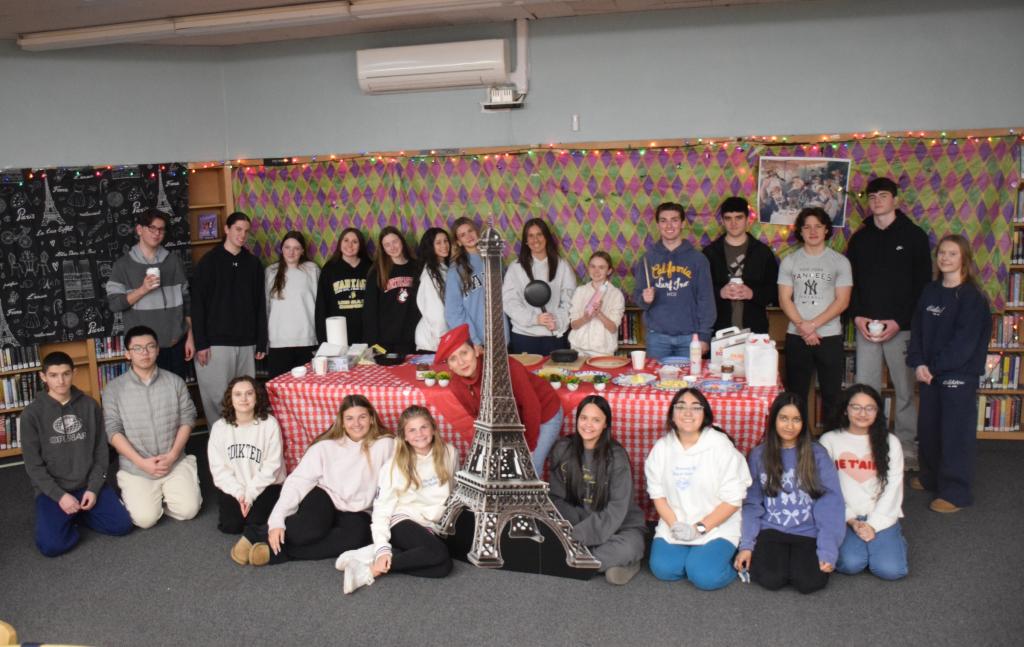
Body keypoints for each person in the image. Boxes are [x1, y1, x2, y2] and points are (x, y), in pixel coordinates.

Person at [846, 177, 932, 469]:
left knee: (905, 390)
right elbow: (851, 283)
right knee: (866, 390)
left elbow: (922, 285)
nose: (877, 201)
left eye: (883, 195)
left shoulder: (914, 236)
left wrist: (900, 321)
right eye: (872, 197)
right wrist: (857, 316)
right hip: (866, 328)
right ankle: (870, 443)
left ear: (895, 200)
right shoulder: (860, 239)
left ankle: (907, 446)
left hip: (901, 328)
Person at [250, 395, 395, 566]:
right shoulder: (325, 447)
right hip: (325, 496)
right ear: (342, 422)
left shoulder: (387, 445)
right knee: (307, 531)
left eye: (362, 417)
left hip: (359, 510)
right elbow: (297, 482)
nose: (356, 423)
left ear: (371, 419)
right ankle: (258, 533)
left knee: (358, 537)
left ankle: (280, 552)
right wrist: (277, 520)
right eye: (349, 418)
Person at [907, 234, 991, 513]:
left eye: (952, 253)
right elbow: (917, 329)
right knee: (929, 428)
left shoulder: (972, 297)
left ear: (964, 258)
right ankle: (931, 477)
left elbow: (964, 344)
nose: (945, 258)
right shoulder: (930, 291)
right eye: (942, 253)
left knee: (954, 433)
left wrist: (932, 368)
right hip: (929, 373)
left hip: (958, 374)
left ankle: (956, 491)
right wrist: (918, 363)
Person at [20, 352, 132, 556]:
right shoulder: (31, 414)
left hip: (87, 485)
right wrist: (60, 496)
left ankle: (77, 514)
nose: (60, 381)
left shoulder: (90, 405)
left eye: (66, 374)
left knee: (122, 526)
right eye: (53, 375)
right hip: (54, 491)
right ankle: (69, 516)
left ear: (74, 373)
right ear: (43, 376)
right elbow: (33, 466)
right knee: (52, 547)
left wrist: (94, 488)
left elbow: (101, 452)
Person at [337, 406, 458, 594]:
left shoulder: (450, 453)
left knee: (442, 568)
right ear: (404, 436)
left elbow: (455, 491)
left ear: (433, 428)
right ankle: (370, 570)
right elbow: (381, 510)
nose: (419, 434)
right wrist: (383, 548)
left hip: (433, 523)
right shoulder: (394, 465)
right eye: (412, 430)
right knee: (438, 554)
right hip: (402, 520)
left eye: (424, 427)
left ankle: (368, 558)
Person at [735, 392, 845, 594]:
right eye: (783, 418)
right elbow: (752, 503)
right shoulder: (759, 454)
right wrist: (747, 545)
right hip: (771, 529)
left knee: (809, 582)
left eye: (796, 419)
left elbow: (830, 503)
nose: (789, 425)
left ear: (804, 422)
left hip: (807, 530)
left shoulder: (817, 454)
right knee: (770, 579)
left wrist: (828, 549)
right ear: (773, 420)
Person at [645, 388, 752, 590]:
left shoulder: (721, 447)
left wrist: (699, 529)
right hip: (676, 524)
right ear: (672, 415)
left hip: (717, 526)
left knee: (704, 577)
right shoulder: (661, 448)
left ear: (705, 415)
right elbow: (658, 495)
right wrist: (675, 525)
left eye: (696, 408)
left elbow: (732, 501)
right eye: (680, 407)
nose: (688, 413)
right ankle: (694, 557)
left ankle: (725, 562)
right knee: (663, 569)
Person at [103, 326, 201, 529]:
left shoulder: (175, 382)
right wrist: (141, 462)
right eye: (137, 348)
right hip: (137, 466)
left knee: (189, 510)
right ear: (128, 354)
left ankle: (167, 493)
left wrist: (173, 455)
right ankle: (148, 495)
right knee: (145, 520)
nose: (145, 353)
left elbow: (188, 417)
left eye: (150, 346)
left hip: (173, 461)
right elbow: (112, 430)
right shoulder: (114, 389)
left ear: (157, 350)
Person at [433, 323, 562, 474]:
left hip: (545, 413)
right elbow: (478, 416)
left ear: (475, 350)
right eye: (453, 359)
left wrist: (527, 448)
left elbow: (531, 406)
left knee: (529, 469)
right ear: (449, 366)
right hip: (512, 424)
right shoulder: (456, 385)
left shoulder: (506, 367)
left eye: (464, 353)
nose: (461, 362)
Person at [549, 395, 646, 585]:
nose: (588, 425)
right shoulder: (563, 449)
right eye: (584, 418)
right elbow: (556, 498)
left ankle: (621, 560)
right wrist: (573, 530)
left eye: (596, 420)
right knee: (545, 539)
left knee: (627, 547)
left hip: (620, 525)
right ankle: (602, 562)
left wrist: (578, 537)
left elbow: (617, 509)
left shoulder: (616, 457)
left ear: (605, 424)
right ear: (577, 419)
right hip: (579, 521)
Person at [820, 384, 908, 580]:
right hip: (843, 515)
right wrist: (851, 520)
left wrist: (873, 525)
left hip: (879, 513)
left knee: (891, 570)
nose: (863, 413)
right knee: (850, 564)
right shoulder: (829, 440)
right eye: (856, 407)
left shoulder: (891, 442)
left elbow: (894, 487)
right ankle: (871, 543)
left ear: (878, 412)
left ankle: (891, 539)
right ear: (846, 409)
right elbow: (826, 488)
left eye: (870, 408)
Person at [777, 206, 852, 430]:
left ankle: (830, 441)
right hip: (797, 336)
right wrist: (803, 327)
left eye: (818, 226)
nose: (812, 231)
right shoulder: (790, 261)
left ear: (826, 230)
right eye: (807, 227)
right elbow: (784, 299)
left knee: (832, 395)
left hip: (829, 337)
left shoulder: (840, 262)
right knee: (795, 395)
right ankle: (798, 441)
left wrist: (813, 326)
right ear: (800, 231)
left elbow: (842, 301)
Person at [191, 211, 267, 426]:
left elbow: (260, 304)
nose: (242, 235)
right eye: (238, 229)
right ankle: (219, 442)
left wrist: (261, 340)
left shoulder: (253, 264)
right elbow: (198, 305)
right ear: (226, 229)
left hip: (246, 342)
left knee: (245, 399)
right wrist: (201, 343)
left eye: (246, 231)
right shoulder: (209, 262)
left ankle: (244, 440)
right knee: (217, 399)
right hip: (216, 343)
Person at [106, 208, 194, 378]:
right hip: (144, 351)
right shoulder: (122, 265)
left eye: (161, 229)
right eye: (152, 228)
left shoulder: (173, 261)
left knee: (177, 390)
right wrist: (143, 290)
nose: (157, 233)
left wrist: (190, 338)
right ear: (140, 230)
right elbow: (115, 304)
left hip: (176, 344)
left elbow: (187, 303)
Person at [207, 376, 286, 565]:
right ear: (230, 399)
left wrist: (250, 494)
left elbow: (272, 466)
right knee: (231, 526)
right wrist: (240, 493)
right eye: (238, 394)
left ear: (257, 397)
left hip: (264, 485)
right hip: (235, 487)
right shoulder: (219, 428)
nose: (244, 399)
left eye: (249, 393)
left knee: (258, 520)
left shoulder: (269, 424)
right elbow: (219, 469)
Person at [631, 202, 715, 360]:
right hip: (657, 338)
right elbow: (638, 297)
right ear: (658, 225)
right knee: (655, 377)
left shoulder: (698, 259)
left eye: (674, 220)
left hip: (690, 338)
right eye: (663, 220)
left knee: (690, 377)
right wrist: (645, 299)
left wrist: (704, 336)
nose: (669, 225)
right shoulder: (647, 259)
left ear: (682, 223)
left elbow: (706, 300)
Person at [702, 197, 779, 334]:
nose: (733, 223)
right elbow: (699, 291)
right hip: (719, 330)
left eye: (739, 217)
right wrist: (720, 292)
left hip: (755, 331)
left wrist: (752, 293)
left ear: (748, 219)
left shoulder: (762, 252)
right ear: (722, 221)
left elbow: (774, 291)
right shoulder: (710, 253)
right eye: (728, 218)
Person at [502, 218, 576, 355]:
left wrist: (557, 320)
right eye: (530, 236)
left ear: (546, 237)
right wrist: (534, 319)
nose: (535, 240)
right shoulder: (516, 267)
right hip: (524, 336)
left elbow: (570, 301)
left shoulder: (562, 266)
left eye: (539, 234)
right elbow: (509, 301)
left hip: (554, 336)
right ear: (526, 241)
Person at [265, 231, 320, 377]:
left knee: (307, 387)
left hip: (307, 339)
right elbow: (265, 308)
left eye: (296, 248)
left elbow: (320, 306)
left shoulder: (312, 270)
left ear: (302, 251)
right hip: (278, 341)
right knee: (279, 387)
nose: (291, 252)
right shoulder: (270, 272)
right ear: (281, 249)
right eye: (287, 247)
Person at [363, 226, 420, 357]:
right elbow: (370, 310)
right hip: (386, 341)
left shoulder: (417, 266)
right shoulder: (377, 271)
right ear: (383, 248)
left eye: (395, 242)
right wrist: (372, 343)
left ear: (402, 241)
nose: (392, 247)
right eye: (387, 245)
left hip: (413, 337)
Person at [315, 227, 373, 345]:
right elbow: (321, 305)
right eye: (346, 240)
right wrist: (323, 339)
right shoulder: (329, 269)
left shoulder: (370, 268)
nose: (350, 245)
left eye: (355, 241)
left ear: (360, 245)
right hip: (337, 334)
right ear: (340, 243)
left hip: (366, 333)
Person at [567, 252, 626, 357]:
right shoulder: (580, 291)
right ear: (588, 268)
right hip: (578, 351)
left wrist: (599, 314)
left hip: (603, 353)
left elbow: (613, 328)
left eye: (601, 267)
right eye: (593, 266)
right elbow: (574, 325)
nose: (596, 271)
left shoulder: (616, 294)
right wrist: (585, 318)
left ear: (609, 271)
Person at [414, 227, 451, 352]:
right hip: (433, 341)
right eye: (438, 243)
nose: (444, 245)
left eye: (446, 241)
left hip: (441, 336)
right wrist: (443, 338)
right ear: (430, 247)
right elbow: (435, 311)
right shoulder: (431, 274)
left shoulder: (443, 267)